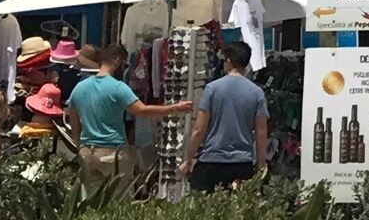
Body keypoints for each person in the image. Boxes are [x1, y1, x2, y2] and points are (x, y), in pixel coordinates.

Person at [67, 44, 189, 193]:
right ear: (117, 60)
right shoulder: (118, 87)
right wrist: (175, 108)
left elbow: (73, 119)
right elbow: (142, 110)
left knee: (91, 203)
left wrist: (80, 147)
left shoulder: (79, 88)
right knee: (119, 201)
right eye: (125, 64)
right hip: (112, 152)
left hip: (87, 153)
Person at [180, 42, 268, 191]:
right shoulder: (257, 93)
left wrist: (188, 159)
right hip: (242, 162)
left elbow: (199, 129)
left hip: (212, 160)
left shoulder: (212, 89)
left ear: (228, 61)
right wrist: (260, 165)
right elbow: (261, 133)